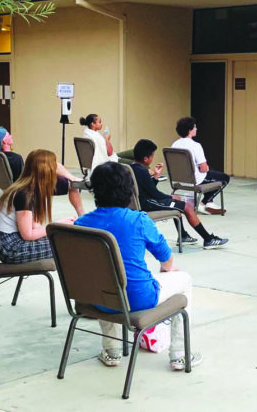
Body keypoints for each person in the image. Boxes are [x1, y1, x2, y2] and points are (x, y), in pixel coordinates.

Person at [76, 162, 202, 371]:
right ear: (128, 190)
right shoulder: (138, 220)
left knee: (105, 280)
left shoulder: (82, 223)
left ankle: (110, 351)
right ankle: (180, 355)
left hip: (96, 298)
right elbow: (166, 259)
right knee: (184, 280)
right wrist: (166, 269)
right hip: (138, 299)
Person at [130, 139, 228, 249]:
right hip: (148, 204)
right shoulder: (142, 172)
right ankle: (208, 239)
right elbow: (155, 194)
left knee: (177, 198)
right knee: (187, 207)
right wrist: (170, 198)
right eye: (152, 156)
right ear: (145, 158)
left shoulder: (132, 168)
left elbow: (148, 189)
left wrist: (156, 176)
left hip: (145, 200)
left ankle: (183, 236)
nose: (153, 158)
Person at [0, 149, 74, 264]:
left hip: (13, 239)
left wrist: (58, 229)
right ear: (46, 171)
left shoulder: (29, 189)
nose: (56, 171)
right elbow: (28, 235)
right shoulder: (24, 195)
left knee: (64, 238)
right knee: (67, 244)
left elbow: (34, 226)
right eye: (53, 167)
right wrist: (57, 225)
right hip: (10, 248)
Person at [0, 127, 85, 216]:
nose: (11, 136)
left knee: (50, 164)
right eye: (9, 135)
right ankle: (81, 213)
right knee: (71, 184)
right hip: (30, 186)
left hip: (15, 188)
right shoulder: (16, 158)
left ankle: (72, 178)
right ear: (4, 141)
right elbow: (22, 178)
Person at [171, 117, 228, 215]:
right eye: (194, 127)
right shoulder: (195, 145)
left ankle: (209, 203)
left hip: (180, 180)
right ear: (190, 130)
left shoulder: (174, 145)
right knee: (224, 178)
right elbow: (204, 168)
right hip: (195, 180)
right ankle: (203, 203)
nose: (196, 129)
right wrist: (206, 168)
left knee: (212, 173)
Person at [80, 114, 117, 178]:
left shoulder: (88, 134)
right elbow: (109, 153)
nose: (101, 124)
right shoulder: (96, 137)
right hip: (107, 161)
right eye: (99, 122)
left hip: (93, 161)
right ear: (92, 124)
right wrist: (106, 139)